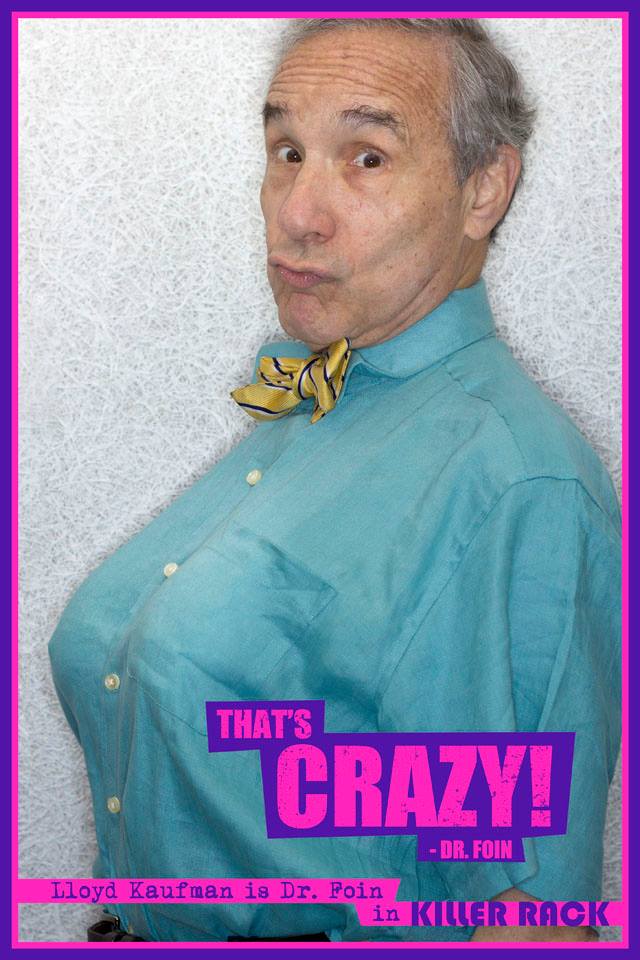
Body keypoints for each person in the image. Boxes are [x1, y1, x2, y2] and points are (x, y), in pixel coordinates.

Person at [48, 17, 621, 943]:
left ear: (483, 189)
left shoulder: (519, 482)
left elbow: (532, 917)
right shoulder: (314, 401)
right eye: (287, 152)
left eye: (367, 158)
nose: (298, 213)